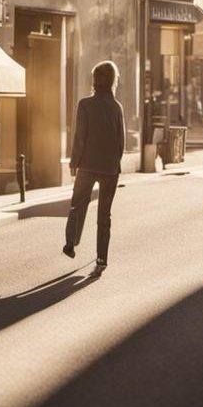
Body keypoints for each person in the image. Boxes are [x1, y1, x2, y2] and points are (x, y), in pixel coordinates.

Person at [63, 60, 125, 268]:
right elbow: (121, 141)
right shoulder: (117, 107)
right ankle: (101, 259)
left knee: (77, 205)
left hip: (88, 165)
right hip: (109, 168)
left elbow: (80, 136)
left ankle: (71, 243)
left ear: (94, 81)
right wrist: (115, 165)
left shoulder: (85, 105)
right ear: (112, 81)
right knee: (104, 214)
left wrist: (74, 161)